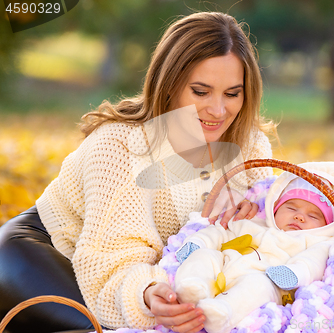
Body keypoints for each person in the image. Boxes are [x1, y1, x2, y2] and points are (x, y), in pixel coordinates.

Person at [0, 12, 277, 333]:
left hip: (154, 273)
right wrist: (146, 295)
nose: (218, 110)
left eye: (232, 93)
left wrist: (259, 216)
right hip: (44, 250)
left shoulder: (251, 146)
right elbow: (110, 256)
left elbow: (270, 239)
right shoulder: (119, 146)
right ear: (170, 84)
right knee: (102, 330)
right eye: (201, 92)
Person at [173, 161, 334, 333]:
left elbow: (313, 263)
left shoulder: (318, 241)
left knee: (257, 285)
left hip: (268, 280)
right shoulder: (254, 223)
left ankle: (223, 313)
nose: (299, 217)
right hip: (223, 270)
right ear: (275, 209)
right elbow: (220, 231)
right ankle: (193, 288)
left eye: (313, 216)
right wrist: (198, 243)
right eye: (292, 208)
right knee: (205, 255)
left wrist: (293, 273)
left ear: (326, 225)